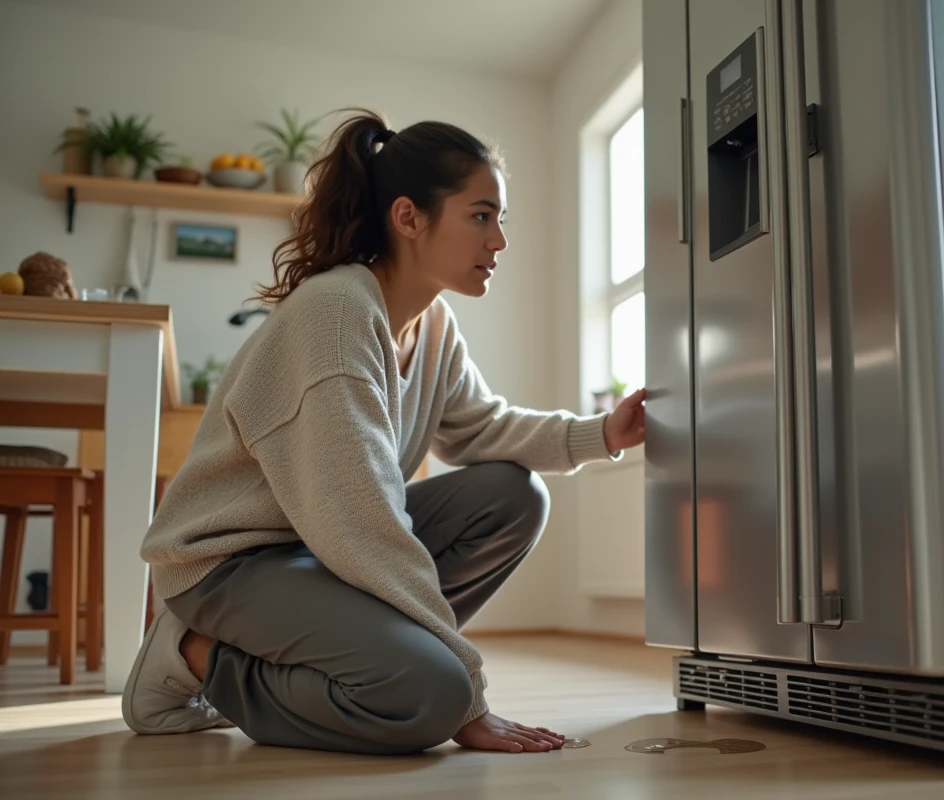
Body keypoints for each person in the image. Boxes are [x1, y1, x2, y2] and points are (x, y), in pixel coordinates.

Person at [120, 109, 647, 756]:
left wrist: (605, 433)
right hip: (231, 564)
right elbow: (358, 519)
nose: (499, 241)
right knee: (432, 698)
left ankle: (390, 658)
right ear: (408, 218)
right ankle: (196, 656)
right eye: (481, 216)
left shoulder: (433, 326)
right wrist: (468, 689)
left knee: (514, 497)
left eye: (500, 219)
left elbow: (481, 429)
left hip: (319, 552)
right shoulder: (336, 314)